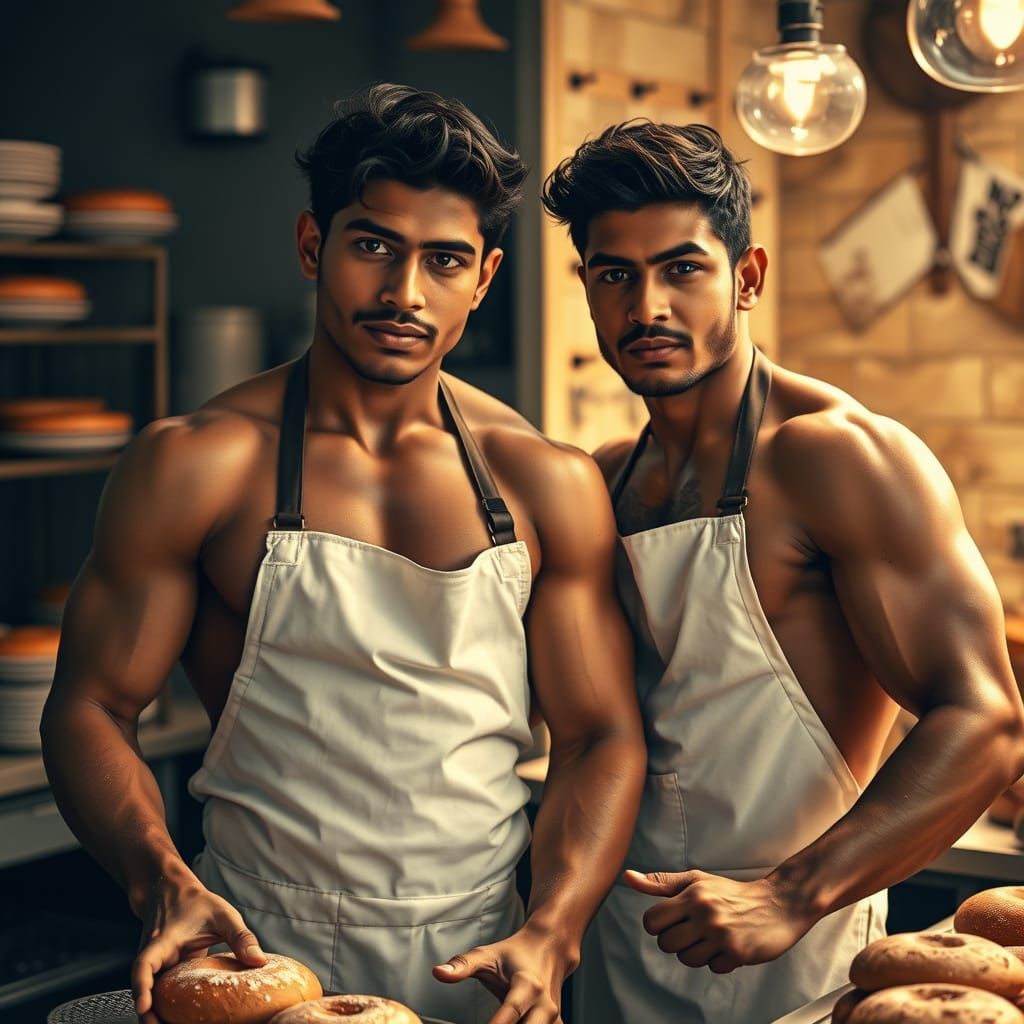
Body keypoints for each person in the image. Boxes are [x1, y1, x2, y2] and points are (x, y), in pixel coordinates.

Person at [40, 84, 646, 1024]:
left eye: (443, 261)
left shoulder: (543, 483)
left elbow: (601, 736)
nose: (406, 293)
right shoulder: (199, 464)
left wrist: (556, 929)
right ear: (314, 247)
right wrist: (159, 880)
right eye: (374, 246)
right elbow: (88, 707)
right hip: (245, 948)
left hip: (481, 959)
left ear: (482, 279)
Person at [540, 121, 1024, 1023]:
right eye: (616, 275)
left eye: (683, 268)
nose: (647, 307)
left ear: (747, 276)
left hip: (794, 956)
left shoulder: (835, 457)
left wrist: (789, 896)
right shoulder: (602, 479)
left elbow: (988, 719)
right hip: (618, 947)